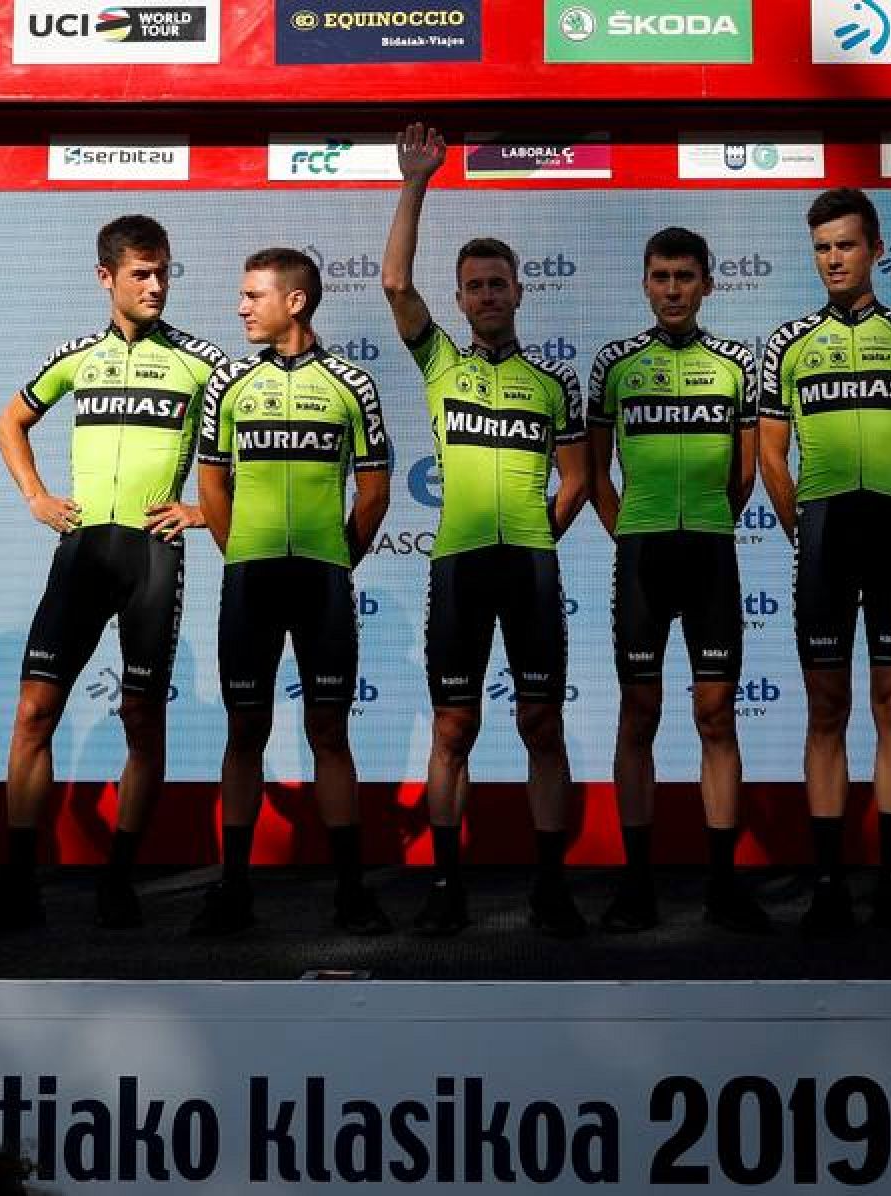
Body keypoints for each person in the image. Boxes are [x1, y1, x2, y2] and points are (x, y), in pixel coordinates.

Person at [0, 215, 227, 932]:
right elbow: (9, 422)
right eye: (141, 273)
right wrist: (35, 497)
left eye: (164, 270)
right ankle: (17, 881)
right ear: (106, 277)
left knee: (142, 716)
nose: (156, 285)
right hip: (80, 555)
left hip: (150, 557)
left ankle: (119, 879)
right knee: (32, 713)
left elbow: (257, 446)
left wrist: (204, 511)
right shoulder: (78, 357)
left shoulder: (203, 362)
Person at [381, 123, 590, 938]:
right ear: (462, 300)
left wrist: (539, 535)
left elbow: (576, 481)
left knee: (543, 724)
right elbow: (397, 283)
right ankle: (445, 885)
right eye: (475, 286)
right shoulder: (441, 363)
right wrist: (416, 182)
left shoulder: (553, 382)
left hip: (529, 570)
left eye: (500, 283)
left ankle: (551, 884)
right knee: (453, 727)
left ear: (518, 293)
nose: (488, 295)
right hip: (459, 568)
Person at [759, 187, 891, 935]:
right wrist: (800, 530)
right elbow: (772, 456)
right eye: (822, 248)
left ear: (877, 248)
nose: (833, 259)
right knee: (826, 710)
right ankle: (827, 884)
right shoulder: (788, 343)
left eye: (845, 244)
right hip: (825, 539)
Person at [188, 247, 392, 937]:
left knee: (329, 732)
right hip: (249, 577)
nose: (242, 307)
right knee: (244, 729)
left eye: (254, 296)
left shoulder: (351, 384)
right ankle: (233, 888)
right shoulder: (228, 384)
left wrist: (339, 560)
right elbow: (211, 485)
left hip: (322, 580)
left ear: (295, 302)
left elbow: (374, 490)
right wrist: (237, 552)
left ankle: (350, 892)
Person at [588, 226, 770, 934]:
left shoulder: (734, 364)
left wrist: (712, 524)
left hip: (711, 559)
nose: (672, 289)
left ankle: (724, 885)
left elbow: (746, 470)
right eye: (660, 276)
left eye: (685, 277)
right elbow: (597, 472)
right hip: (642, 557)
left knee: (716, 716)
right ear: (644, 283)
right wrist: (630, 530)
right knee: (639, 717)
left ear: (706, 285)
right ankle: (637, 886)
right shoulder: (616, 363)